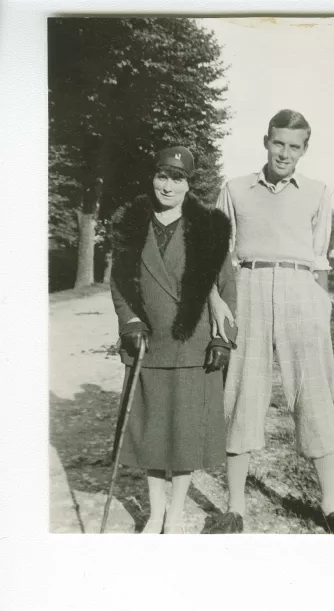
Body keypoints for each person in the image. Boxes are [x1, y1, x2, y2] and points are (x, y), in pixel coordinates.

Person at [208, 110, 334, 534]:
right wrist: (217, 302)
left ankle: (331, 507)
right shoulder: (235, 188)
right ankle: (234, 508)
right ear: (266, 141)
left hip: (301, 292)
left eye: (294, 147)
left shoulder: (317, 192)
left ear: (304, 150)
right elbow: (214, 250)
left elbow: (319, 257)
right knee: (241, 391)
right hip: (249, 286)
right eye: (279, 143)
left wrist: (322, 304)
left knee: (314, 393)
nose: (285, 153)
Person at [110, 146, 237, 534]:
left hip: (192, 343)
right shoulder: (133, 223)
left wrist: (223, 340)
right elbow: (119, 282)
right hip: (149, 343)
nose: (168, 185)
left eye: (177, 178)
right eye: (162, 175)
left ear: (188, 184)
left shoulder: (210, 227)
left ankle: (176, 511)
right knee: (152, 430)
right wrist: (130, 321)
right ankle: (155, 510)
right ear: (153, 178)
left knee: (184, 432)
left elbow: (227, 287)